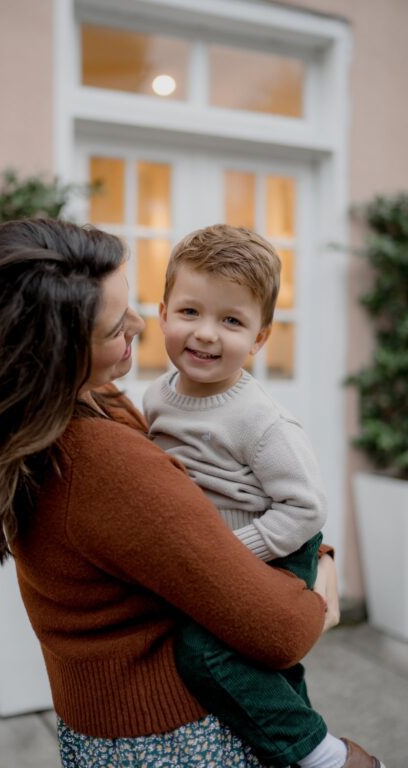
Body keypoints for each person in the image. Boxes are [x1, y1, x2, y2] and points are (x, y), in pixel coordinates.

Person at [0, 218, 371, 767]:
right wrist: (323, 586)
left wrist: (309, 549)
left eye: (130, 305)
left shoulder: (57, 418)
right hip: (169, 736)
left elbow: (286, 510)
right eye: (115, 326)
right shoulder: (103, 457)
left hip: (112, 720)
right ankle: (321, 754)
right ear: (56, 351)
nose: (138, 323)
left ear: (259, 337)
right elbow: (283, 631)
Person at [144, 224, 382, 768]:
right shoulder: (156, 396)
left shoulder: (260, 419)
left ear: (259, 338)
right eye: (189, 313)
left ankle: (327, 755)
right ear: (161, 314)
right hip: (219, 553)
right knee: (268, 672)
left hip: (274, 546)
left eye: (230, 321)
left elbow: (304, 508)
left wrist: (233, 553)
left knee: (207, 653)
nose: (206, 334)